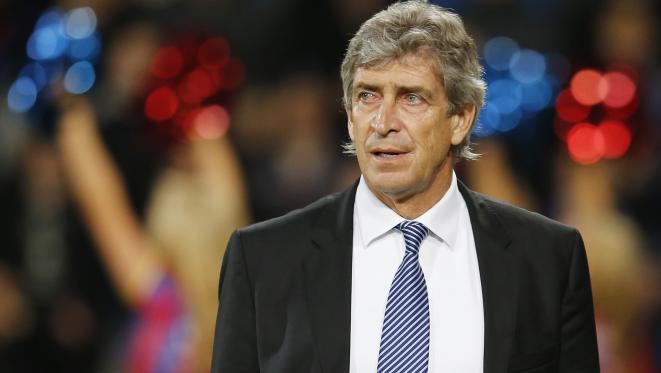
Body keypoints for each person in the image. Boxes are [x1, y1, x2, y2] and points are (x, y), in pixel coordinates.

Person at [212, 1, 599, 372]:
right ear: (349, 118)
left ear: (461, 119)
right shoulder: (262, 261)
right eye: (367, 96)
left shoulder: (549, 261)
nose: (383, 123)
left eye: (411, 98)